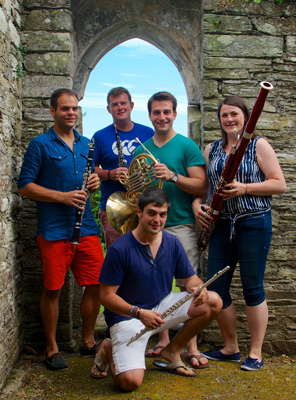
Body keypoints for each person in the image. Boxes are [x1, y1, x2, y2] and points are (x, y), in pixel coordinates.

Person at [91, 188, 222, 391]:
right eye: (151, 213)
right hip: (128, 318)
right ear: (139, 213)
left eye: (162, 214)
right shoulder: (120, 249)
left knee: (213, 301)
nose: (157, 220)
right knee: (129, 383)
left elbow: (189, 279)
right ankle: (107, 348)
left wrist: (197, 287)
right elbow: (106, 297)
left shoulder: (171, 242)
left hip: (161, 310)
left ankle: (172, 351)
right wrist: (138, 312)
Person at [192, 95, 286, 371]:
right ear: (219, 120)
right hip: (221, 223)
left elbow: (279, 184)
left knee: (252, 287)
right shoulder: (212, 149)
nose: (229, 119)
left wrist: (244, 188)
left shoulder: (258, 145)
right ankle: (230, 347)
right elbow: (203, 189)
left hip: (253, 222)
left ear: (245, 116)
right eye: (224, 116)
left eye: (234, 114)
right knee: (216, 288)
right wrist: (199, 207)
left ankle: (255, 353)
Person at [18, 88, 104, 371]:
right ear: (52, 111)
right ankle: (52, 347)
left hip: (86, 227)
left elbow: (90, 177)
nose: (71, 113)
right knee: (53, 288)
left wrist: (93, 182)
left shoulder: (86, 144)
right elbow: (25, 185)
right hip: (54, 230)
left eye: (75, 109)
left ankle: (88, 341)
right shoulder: (40, 145)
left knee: (95, 284)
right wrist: (62, 196)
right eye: (65, 108)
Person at [133, 92, 209, 369]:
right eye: (156, 112)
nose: (161, 117)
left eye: (166, 112)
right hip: (151, 227)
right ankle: (163, 340)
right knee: (157, 284)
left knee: (188, 285)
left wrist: (173, 176)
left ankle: (191, 344)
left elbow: (201, 186)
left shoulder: (186, 146)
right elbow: (136, 192)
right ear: (150, 115)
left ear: (175, 114)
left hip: (180, 223)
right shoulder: (142, 149)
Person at [92, 87, 154, 249]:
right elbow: (91, 169)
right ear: (108, 109)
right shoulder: (99, 136)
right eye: (115, 104)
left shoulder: (148, 132)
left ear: (131, 105)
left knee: (145, 254)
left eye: (123, 103)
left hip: (144, 204)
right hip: (113, 207)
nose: (120, 107)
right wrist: (110, 173)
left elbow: (155, 163)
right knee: (118, 256)